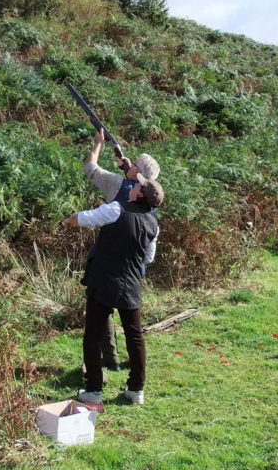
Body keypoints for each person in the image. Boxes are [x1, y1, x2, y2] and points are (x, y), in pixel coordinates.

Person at [63, 174, 164, 406]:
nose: (134, 185)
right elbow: (148, 258)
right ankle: (136, 389)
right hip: (131, 284)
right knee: (135, 337)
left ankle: (94, 390)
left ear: (139, 195)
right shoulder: (153, 224)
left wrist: (68, 220)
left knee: (92, 337)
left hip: (104, 281)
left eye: (138, 185)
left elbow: (88, 218)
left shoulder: (117, 208)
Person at [83, 129, 160, 371]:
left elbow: (90, 169)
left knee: (99, 318)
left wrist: (98, 143)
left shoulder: (117, 185)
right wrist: (129, 169)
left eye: (135, 163)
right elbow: (148, 255)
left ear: (138, 174)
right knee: (132, 328)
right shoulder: (152, 200)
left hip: (106, 263)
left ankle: (109, 362)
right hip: (133, 270)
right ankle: (133, 375)